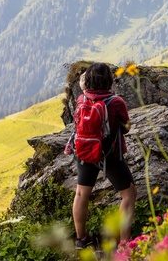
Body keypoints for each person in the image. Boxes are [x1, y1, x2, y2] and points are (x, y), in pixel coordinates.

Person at [72, 62, 136, 249]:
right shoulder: (116, 102)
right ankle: (125, 243)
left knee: (81, 193)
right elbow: (126, 128)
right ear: (109, 80)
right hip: (110, 155)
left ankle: (81, 239)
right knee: (128, 194)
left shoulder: (81, 99)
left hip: (84, 153)